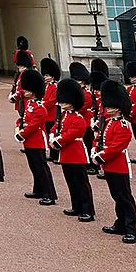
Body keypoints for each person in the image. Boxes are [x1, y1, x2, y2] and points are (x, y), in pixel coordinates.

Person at [94, 81, 136, 243]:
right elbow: (100, 139)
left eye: (111, 106)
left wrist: (101, 155)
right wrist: (95, 149)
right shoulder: (108, 122)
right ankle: (120, 223)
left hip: (119, 165)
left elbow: (117, 146)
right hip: (109, 165)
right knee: (116, 196)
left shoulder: (123, 124)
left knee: (125, 197)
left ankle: (131, 229)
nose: (107, 109)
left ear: (118, 107)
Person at [53, 77, 96, 222]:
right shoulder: (63, 116)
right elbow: (55, 128)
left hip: (76, 153)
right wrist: (52, 135)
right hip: (65, 154)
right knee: (70, 181)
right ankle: (76, 206)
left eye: (65, 101)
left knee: (81, 183)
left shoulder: (78, 118)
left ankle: (87, 210)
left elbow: (71, 134)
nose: (62, 104)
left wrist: (57, 140)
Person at [16, 68, 55, 206]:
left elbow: (34, 125)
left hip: (37, 140)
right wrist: (18, 127)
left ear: (34, 92)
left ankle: (49, 193)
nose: (24, 92)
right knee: (34, 167)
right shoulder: (30, 104)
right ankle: (38, 190)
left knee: (41, 168)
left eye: (27, 90)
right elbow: (24, 119)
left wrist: (22, 133)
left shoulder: (40, 107)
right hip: (29, 141)